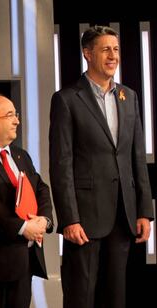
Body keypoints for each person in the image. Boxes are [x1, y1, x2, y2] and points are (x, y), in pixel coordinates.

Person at [49, 25, 154, 308]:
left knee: (115, 297)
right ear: (87, 53)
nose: (113, 55)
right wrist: (69, 218)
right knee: (81, 296)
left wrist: (144, 211)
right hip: (85, 218)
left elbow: (136, 158)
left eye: (116, 49)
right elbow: (61, 164)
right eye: (105, 49)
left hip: (123, 214)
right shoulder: (67, 99)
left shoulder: (129, 96)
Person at [0, 94, 53, 308]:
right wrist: (23, 227)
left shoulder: (21, 155)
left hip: (24, 260)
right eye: (10, 115)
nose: (17, 120)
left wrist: (44, 220)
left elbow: (40, 187)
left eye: (17, 114)